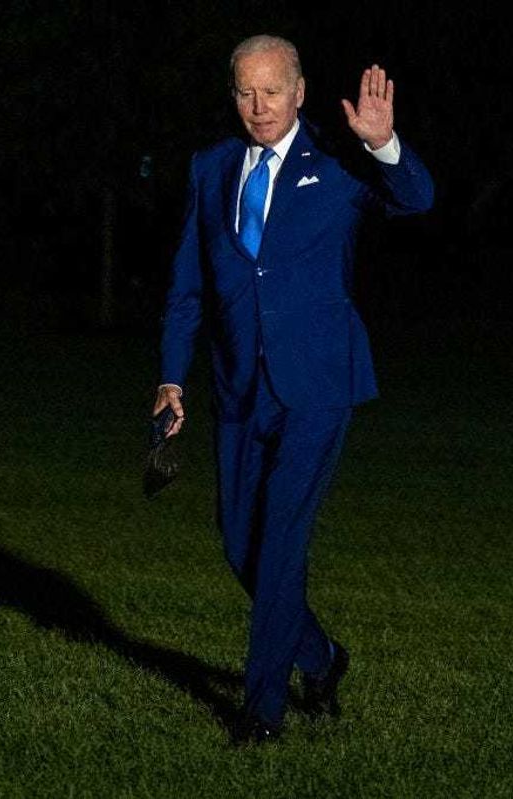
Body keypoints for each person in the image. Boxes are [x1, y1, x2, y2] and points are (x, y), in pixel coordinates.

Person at [152, 34, 434, 745]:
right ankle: (322, 655)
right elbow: (189, 286)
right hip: (239, 384)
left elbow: (415, 199)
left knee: (279, 542)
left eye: (273, 91)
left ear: (301, 91)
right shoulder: (211, 168)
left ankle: (261, 711)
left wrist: (386, 144)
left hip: (317, 384)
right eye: (246, 91)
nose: (259, 106)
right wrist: (170, 376)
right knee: (240, 545)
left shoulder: (339, 162)